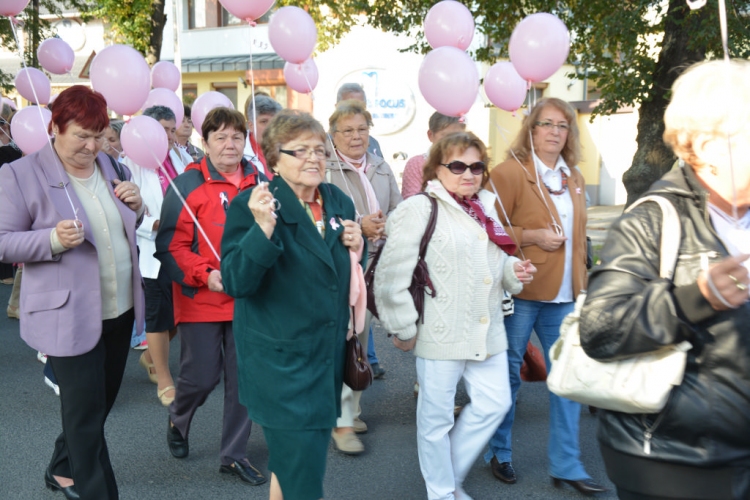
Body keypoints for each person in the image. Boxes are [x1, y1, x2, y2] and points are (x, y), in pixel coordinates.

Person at [580, 59, 750, 500]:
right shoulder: (654, 217)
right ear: (709, 145)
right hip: (675, 464)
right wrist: (697, 298)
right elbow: (600, 329)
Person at [0, 85, 145, 500]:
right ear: (55, 127)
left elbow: (121, 226)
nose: (92, 145)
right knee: (85, 421)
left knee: (94, 408)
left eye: (99, 134)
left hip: (119, 308)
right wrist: (50, 240)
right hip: (67, 314)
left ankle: (60, 467)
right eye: (81, 135)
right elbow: (3, 241)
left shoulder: (111, 165)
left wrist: (137, 207)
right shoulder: (19, 174)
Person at [374, 131, 535, 500]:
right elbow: (390, 275)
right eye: (458, 165)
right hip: (440, 332)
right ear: (437, 168)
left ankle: (448, 477)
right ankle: (443, 492)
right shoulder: (418, 208)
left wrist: (514, 272)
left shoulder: (485, 206)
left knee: (496, 403)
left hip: (487, 330)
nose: (469, 174)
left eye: (477, 166)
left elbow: (495, 264)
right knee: (436, 421)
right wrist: (402, 325)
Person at [222, 108, 364, 500]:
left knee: (292, 468)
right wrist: (263, 231)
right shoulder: (252, 205)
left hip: (325, 360)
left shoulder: (337, 201)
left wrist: (358, 249)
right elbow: (236, 281)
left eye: (319, 149)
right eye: (300, 150)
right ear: (274, 159)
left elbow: (342, 275)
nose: (313, 158)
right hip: (280, 367)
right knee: (303, 476)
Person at [482, 97, 606, 496]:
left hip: (567, 293)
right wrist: (534, 237)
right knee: (508, 377)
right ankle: (499, 452)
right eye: (546, 124)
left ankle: (567, 465)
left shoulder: (575, 177)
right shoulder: (508, 173)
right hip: (523, 289)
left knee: (568, 380)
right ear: (531, 130)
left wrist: (583, 286)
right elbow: (487, 227)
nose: (555, 131)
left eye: (562, 125)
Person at [155, 106, 266, 486]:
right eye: (220, 136)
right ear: (206, 142)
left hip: (249, 300)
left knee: (244, 381)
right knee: (201, 378)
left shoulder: (260, 181)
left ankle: (234, 455)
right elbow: (170, 245)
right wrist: (207, 274)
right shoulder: (186, 185)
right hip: (202, 298)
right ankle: (179, 417)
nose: (230, 144)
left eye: (237, 136)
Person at [326, 98, 402, 454]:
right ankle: (341, 422)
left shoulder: (381, 167)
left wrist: (391, 227)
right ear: (334, 134)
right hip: (342, 266)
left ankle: (351, 411)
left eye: (362, 129)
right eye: (348, 130)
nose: (356, 137)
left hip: (378, 264)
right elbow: (323, 217)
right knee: (346, 336)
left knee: (361, 336)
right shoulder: (325, 169)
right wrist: (359, 224)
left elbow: (398, 211)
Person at [122, 105, 193, 406]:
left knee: (184, 312)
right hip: (152, 249)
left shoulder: (181, 156)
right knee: (159, 315)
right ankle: (163, 377)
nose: (168, 135)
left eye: (170, 128)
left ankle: (152, 355)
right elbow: (127, 212)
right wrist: (154, 223)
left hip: (185, 247)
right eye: (161, 129)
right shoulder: (130, 164)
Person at [401, 112, 466, 199]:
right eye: (446, 136)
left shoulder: (470, 163)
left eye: (457, 136)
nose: (452, 142)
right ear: (430, 135)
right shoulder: (417, 164)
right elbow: (411, 204)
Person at [336, 82, 383, 158]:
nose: (355, 112)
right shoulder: (324, 143)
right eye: (349, 107)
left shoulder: (373, 143)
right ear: (336, 107)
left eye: (359, 107)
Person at [243, 93, 282, 175]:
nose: (270, 127)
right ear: (251, 125)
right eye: (264, 122)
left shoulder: (288, 148)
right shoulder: (238, 151)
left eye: (274, 121)